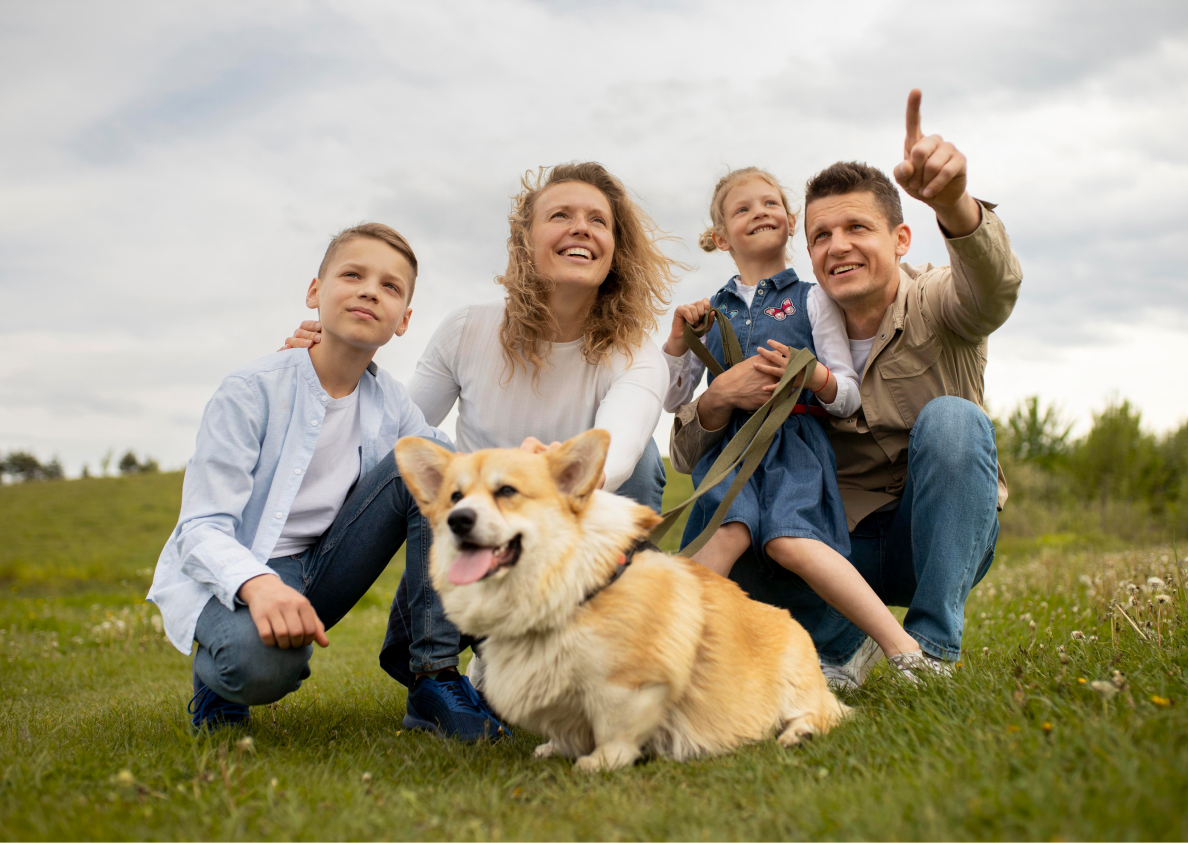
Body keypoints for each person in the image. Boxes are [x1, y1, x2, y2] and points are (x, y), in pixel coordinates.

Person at [286, 162, 679, 736]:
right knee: (429, 449)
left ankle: (590, 657)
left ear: (615, 249)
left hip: (553, 562)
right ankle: (435, 669)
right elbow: (392, 442)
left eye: (599, 220)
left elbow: (615, 455)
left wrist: (544, 472)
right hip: (462, 569)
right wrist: (317, 375)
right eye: (561, 215)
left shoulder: (636, 352)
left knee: (642, 463)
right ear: (526, 240)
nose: (581, 228)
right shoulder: (469, 330)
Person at [669, 90, 1021, 688]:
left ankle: (931, 651)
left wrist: (956, 204)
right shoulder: (785, 319)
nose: (838, 246)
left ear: (901, 240)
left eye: (858, 227)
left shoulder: (939, 299)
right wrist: (719, 394)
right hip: (831, 541)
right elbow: (684, 451)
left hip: (928, 537)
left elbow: (995, 287)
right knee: (746, 515)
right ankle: (838, 641)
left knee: (955, 421)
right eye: (822, 235)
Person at [148, 223, 472, 731]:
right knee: (263, 666)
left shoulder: (392, 404)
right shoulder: (250, 390)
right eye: (352, 274)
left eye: (390, 286)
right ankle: (218, 684)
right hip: (242, 570)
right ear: (314, 292)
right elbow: (202, 529)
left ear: (403, 320)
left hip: (325, 568)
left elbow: (459, 472)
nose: (369, 290)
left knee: (433, 462)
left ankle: (433, 674)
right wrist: (259, 585)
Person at [663, 167, 928, 665]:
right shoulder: (709, 310)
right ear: (721, 237)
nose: (758, 212)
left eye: (769, 204)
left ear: (789, 223)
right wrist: (679, 343)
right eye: (742, 208)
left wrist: (811, 376)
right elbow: (674, 396)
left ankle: (902, 647)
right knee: (724, 534)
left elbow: (848, 393)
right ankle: (659, 649)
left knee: (792, 542)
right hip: (729, 452)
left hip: (794, 444)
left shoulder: (813, 298)